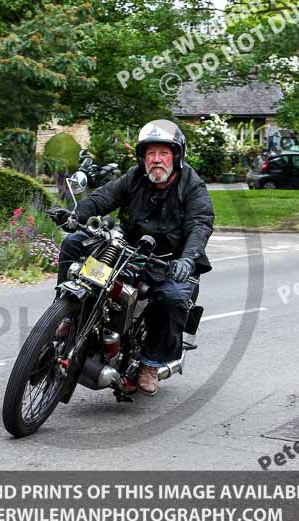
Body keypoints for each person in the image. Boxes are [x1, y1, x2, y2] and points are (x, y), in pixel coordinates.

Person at [51, 119, 215, 396]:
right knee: (73, 243)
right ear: (143, 157)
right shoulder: (135, 176)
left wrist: (187, 259)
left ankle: (150, 363)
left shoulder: (192, 186)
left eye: (163, 153)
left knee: (173, 298)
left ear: (176, 156)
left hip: (169, 261)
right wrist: (73, 216)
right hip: (129, 249)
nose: (156, 160)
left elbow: (200, 224)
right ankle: (65, 313)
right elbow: (103, 198)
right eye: (151, 153)